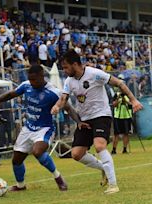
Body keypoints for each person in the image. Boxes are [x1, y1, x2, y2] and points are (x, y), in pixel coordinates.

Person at [51, 50, 143, 194]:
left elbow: (119, 83)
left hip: (101, 115)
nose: (64, 70)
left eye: (66, 67)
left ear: (75, 64)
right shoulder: (69, 81)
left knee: (100, 146)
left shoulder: (95, 74)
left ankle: (113, 185)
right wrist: (57, 106)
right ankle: (103, 168)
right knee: (76, 154)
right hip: (85, 120)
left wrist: (133, 100)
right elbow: (64, 99)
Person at [0, 65, 84, 192]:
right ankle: (20, 185)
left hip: (44, 129)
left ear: (41, 77)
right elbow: (10, 94)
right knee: (16, 160)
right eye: (30, 79)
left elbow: (68, 108)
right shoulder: (26, 85)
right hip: (28, 128)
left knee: (37, 151)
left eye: (34, 79)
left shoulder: (53, 92)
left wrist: (78, 122)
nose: (32, 82)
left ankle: (58, 178)